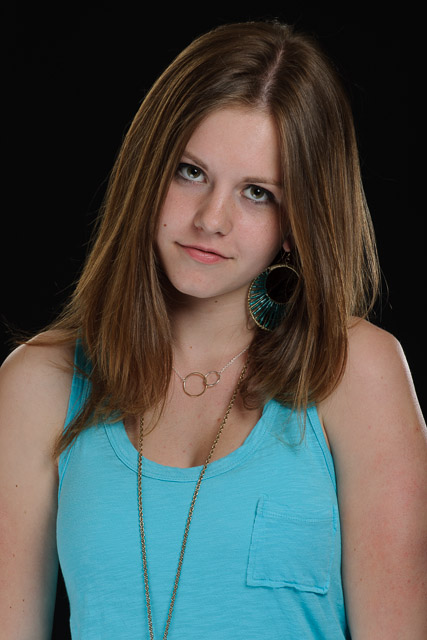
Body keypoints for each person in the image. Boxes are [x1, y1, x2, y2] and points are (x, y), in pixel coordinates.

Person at [1, 19, 426, 640]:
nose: (211, 219)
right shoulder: (38, 384)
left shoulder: (356, 371)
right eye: (190, 172)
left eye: (257, 192)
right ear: (147, 172)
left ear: (296, 220)